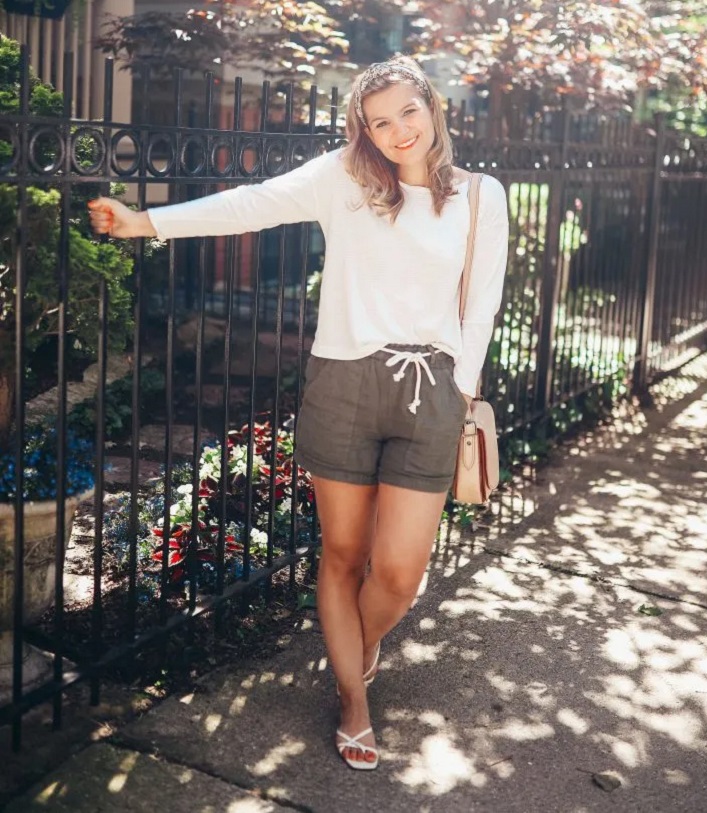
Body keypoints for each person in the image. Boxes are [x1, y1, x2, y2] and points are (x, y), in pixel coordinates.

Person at [89, 55, 509, 771]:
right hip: (343, 383)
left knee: (401, 571)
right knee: (343, 553)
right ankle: (352, 695)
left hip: (431, 389)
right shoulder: (342, 178)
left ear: (433, 108)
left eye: (408, 112)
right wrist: (143, 223)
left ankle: (360, 640)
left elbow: (482, 302)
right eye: (379, 122)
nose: (397, 131)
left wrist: (459, 387)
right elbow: (249, 203)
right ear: (364, 131)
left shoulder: (480, 195)